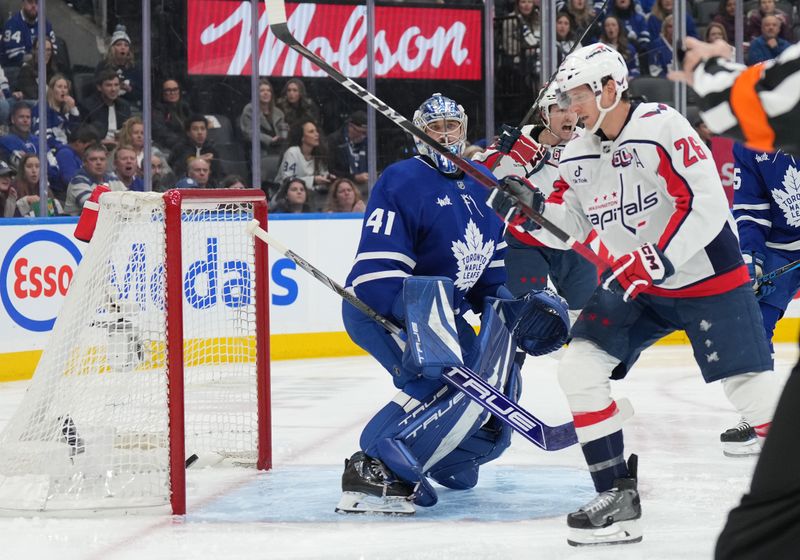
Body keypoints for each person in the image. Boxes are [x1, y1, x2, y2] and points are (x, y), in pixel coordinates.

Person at [489, 43, 782, 546]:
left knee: (749, 391)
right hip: (638, 283)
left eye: (577, 96)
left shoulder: (662, 126)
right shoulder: (576, 154)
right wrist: (528, 208)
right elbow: (569, 226)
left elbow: (707, 204)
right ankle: (617, 501)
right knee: (578, 368)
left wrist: (658, 256)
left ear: (608, 88)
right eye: (563, 99)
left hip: (706, 278)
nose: (568, 109)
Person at [337, 93, 566, 516]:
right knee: (443, 386)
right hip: (386, 310)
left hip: (443, 312)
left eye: (451, 127)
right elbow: (375, 277)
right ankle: (369, 467)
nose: (445, 135)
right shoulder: (401, 179)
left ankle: (439, 457)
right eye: (435, 128)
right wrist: (420, 327)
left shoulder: (483, 183)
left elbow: (490, 282)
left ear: (463, 129)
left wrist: (512, 318)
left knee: (492, 426)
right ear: (420, 135)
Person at [672, 36, 800, 560]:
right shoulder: (754, 150)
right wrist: (750, 253)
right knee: (755, 313)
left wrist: (707, 67)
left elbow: (744, 102)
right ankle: (760, 409)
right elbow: (749, 203)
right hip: (779, 246)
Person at [475, 82, 595, 326]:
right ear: (544, 114)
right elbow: (479, 177)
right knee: (520, 316)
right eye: (560, 109)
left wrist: (541, 160)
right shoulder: (519, 140)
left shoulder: (590, 143)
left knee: (588, 320)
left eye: (572, 109)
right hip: (526, 242)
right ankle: (509, 364)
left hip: (575, 240)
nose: (569, 115)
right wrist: (504, 157)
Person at [274, 119, 332, 211]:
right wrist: (313, 180)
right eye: (311, 132)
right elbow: (287, 180)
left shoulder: (318, 156)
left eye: (316, 131)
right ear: (302, 137)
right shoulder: (292, 152)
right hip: (286, 199)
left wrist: (328, 178)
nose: (316, 134)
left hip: (312, 196)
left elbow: (322, 176)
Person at [64, 143, 126, 215]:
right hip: (74, 224)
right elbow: (93, 206)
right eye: (93, 159)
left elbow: (129, 199)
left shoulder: (113, 179)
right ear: (84, 162)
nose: (98, 162)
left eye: (102, 159)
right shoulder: (78, 181)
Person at [79, 70, 131, 148]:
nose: (113, 89)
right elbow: (81, 134)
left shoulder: (124, 106)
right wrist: (100, 141)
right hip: (97, 147)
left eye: (116, 85)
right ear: (99, 87)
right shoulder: (88, 106)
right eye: (109, 85)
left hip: (121, 147)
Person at [238, 78, 287, 158]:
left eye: (268, 90)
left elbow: (282, 133)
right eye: (262, 91)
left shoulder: (279, 113)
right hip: (259, 152)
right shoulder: (250, 110)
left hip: (278, 150)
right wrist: (270, 140)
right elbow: (248, 133)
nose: (266, 93)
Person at [95, 25, 142, 107]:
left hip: (130, 107)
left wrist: (129, 89)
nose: (123, 47)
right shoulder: (103, 66)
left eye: (126, 45)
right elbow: (96, 89)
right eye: (119, 44)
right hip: (106, 106)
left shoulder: (134, 67)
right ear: (112, 48)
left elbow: (141, 93)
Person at [1, 0, 56, 68]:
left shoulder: (46, 24)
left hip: (41, 67)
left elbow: (54, 50)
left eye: (37, 3)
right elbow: (16, 56)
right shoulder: (12, 24)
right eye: (30, 2)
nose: (33, 6)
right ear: (23, 3)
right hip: (15, 70)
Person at [51, 124, 100, 200]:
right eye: (91, 145)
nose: (92, 149)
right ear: (78, 142)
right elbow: (71, 181)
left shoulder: (77, 155)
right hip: (62, 197)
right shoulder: (65, 153)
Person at [168, 114, 222, 183]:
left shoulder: (212, 150)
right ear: (188, 133)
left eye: (203, 129)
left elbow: (218, 175)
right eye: (195, 129)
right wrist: (198, 160)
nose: (200, 132)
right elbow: (176, 171)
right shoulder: (179, 149)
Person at [326, 110, 368, 197]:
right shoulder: (334, 141)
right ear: (350, 127)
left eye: (365, 133)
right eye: (360, 132)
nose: (363, 136)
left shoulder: (368, 142)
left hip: (365, 186)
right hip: (341, 185)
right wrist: (354, 177)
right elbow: (331, 169)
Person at [32, 74, 80, 148]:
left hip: (65, 146)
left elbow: (74, 134)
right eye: (59, 87)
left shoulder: (64, 112)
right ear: (52, 90)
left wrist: (73, 110)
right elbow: (42, 135)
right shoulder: (43, 107)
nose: (63, 90)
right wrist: (62, 146)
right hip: (52, 148)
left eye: (65, 87)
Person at [152, 78, 194, 149]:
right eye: (168, 90)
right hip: (170, 149)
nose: (172, 93)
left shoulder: (184, 107)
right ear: (162, 92)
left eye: (175, 89)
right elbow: (161, 133)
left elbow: (194, 121)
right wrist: (184, 144)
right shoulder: (157, 110)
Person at [0, 102, 37, 166]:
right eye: (21, 117)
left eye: (28, 117)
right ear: (12, 119)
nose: (25, 120)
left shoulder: (38, 140)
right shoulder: (5, 141)